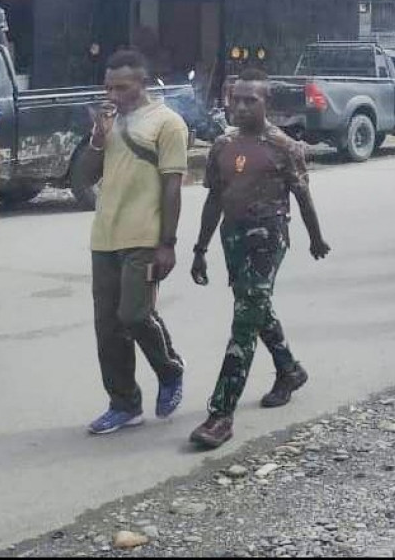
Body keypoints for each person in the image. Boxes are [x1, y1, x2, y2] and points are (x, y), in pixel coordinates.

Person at [187, 71, 331, 449]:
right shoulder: (222, 144)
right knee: (255, 305)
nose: (241, 106)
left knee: (244, 321)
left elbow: (303, 196)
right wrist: (199, 250)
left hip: (268, 239)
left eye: (251, 100)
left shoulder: (284, 146)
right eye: (236, 99)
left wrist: (316, 237)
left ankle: (221, 413)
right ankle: (289, 369)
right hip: (231, 236)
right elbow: (214, 199)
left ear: (268, 104)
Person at [82, 49, 188, 434]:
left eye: (122, 87)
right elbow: (85, 178)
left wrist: (168, 243)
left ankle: (170, 368)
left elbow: (173, 186)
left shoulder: (167, 123)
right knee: (107, 327)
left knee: (135, 315)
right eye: (108, 87)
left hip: (145, 235)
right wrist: (97, 138)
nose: (113, 94)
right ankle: (123, 403)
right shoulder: (107, 122)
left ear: (143, 83)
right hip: (105, 236)